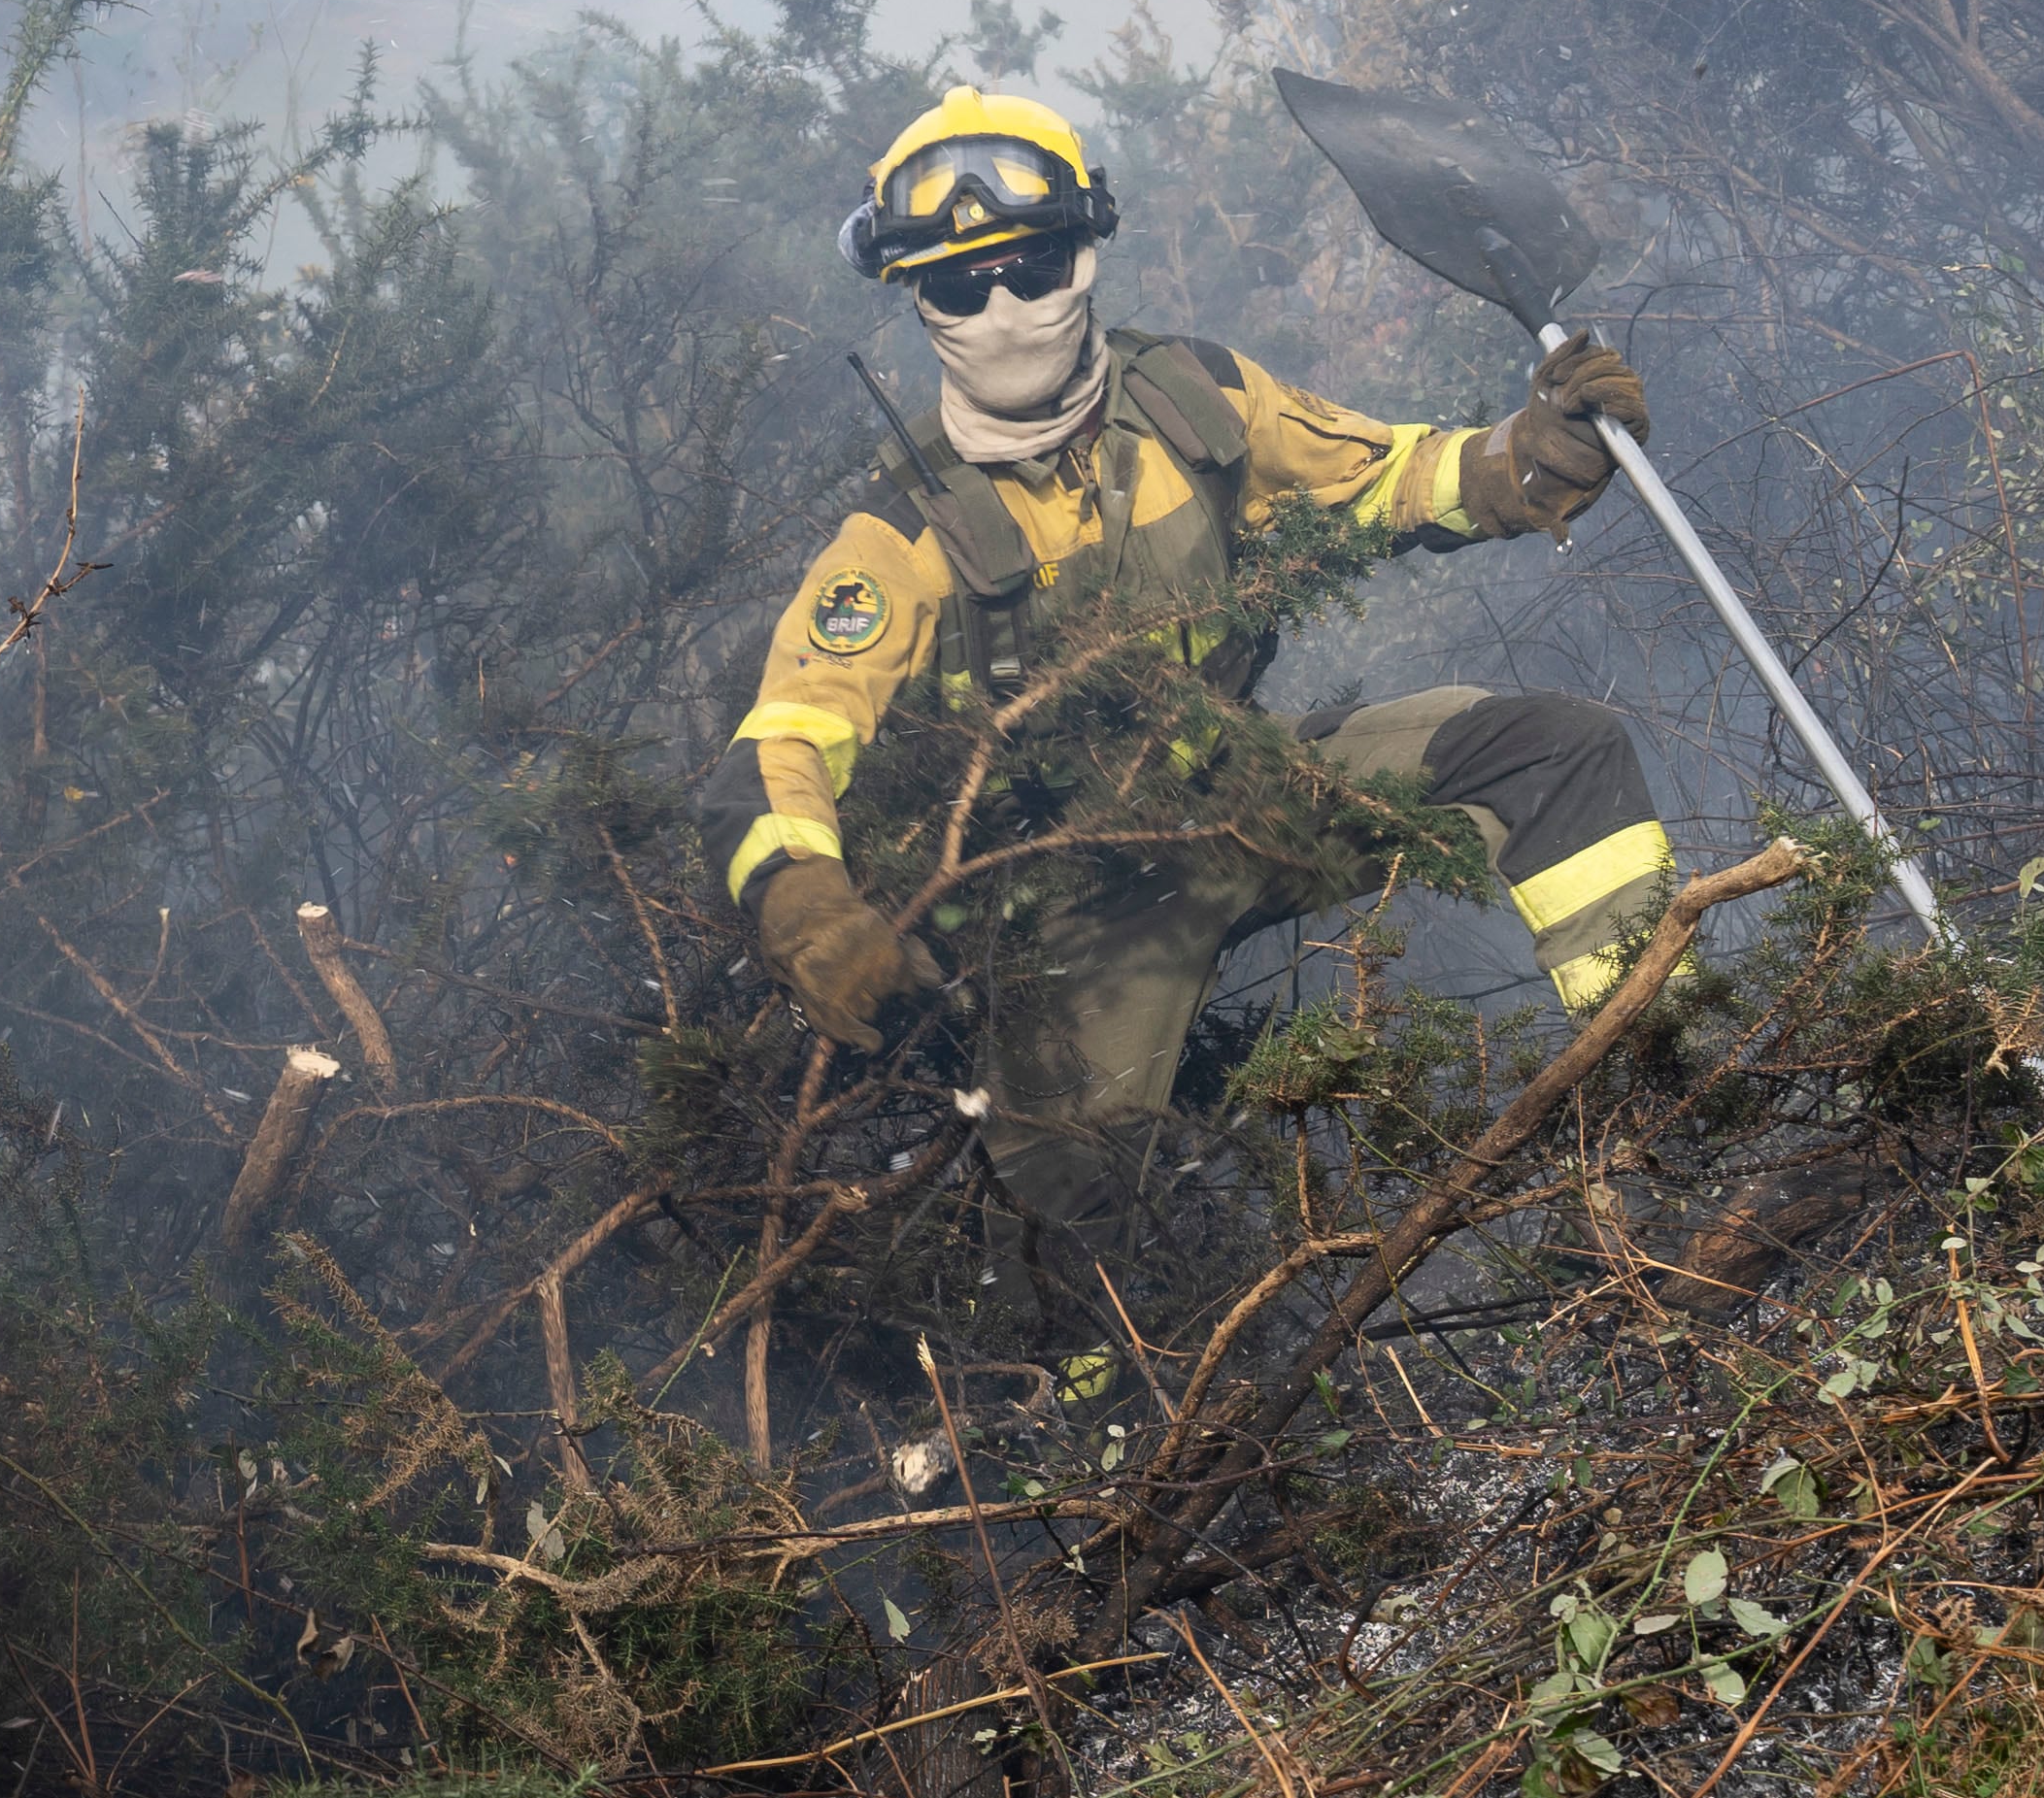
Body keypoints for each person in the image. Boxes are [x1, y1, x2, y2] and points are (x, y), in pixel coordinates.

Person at [696, 86, 1672, 1247]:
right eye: (959, 284)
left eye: (1028, 264)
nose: (1000, 307)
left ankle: (1652, 1115)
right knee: (1073, 1219)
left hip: (1246, 798)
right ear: (917, 302)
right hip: (1069, 912)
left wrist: (1531, 454)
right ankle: (1088, 1406)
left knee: (1551, 755)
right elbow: (783, 745)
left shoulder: (1191, 397)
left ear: (1084, 250)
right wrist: (805, 906)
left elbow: (1384, 475)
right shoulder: (895, 541)